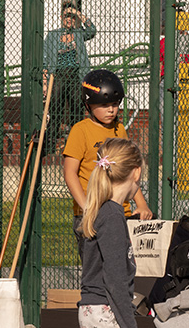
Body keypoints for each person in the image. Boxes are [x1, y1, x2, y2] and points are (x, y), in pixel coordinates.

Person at [78, 137, 151, 328]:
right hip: (103, 311)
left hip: (95, 310)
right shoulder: (112, 214)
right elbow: (115, 279)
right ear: (137, 172)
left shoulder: (103, 210)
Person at [63, 69, 152, 258]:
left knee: (121, 268)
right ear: (89, 105)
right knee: (95, 271)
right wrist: (86, 207)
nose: (111, 110)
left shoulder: (119, 130)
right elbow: (70, 173)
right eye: (104, 105)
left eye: (114, 104)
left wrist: (141, 204)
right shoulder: (81, 131)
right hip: (90, 213)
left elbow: (128, 172)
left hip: (121, 213)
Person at [43, 1, 97, 154]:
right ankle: (50, 146)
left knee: (76, 109)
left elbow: (92, 30)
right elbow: (45, 58)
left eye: (72, 17)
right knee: (55, 109)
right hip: (58, 75)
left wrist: (79, 13)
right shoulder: (53, 35)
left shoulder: (79, 34)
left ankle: (76, 145)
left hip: (75, 75)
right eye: (67, 16)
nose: (70, 19)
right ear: (61, 17)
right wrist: (46, 80)